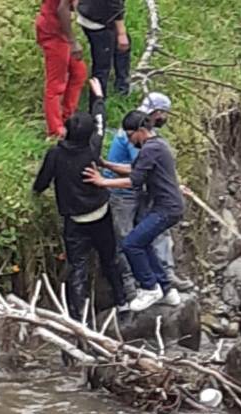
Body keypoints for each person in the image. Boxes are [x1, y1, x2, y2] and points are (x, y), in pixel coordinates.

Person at [33, 78, 127, 319]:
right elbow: (100, 121)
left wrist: (36, 192)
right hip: (100, 213)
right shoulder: (92, 148)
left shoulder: (55, 154)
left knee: (78, 267)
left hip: (74, 220)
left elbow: (43, 181)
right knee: (110, 258)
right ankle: (122, 300)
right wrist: (98, 97)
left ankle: (78, 315)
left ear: (67, 131)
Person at [83, 110, 185, 312]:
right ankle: (166, 290)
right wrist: (105, 164)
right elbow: (133, 169)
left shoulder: (150, 149)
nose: (130, 142)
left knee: (131, 244)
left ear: (140, 131)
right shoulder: (156, 145)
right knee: (142, 241)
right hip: (168, 206)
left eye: (130, 136)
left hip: (166, 209)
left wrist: (103, 181)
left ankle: (149, 287)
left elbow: (134, 181)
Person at [104, 93, 194, 300]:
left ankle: (156, 283)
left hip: (152, 198)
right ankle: (151, 286)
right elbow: (140, 171)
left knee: (138, 240)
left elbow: (141, 174)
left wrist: (103, 181)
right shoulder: (144, 139)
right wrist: (105, 171)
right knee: (135, 241)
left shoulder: (150, 144)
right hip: (134, 196)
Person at [35, 0, 88, 138]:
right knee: (56, 83)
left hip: (58, 29)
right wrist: (73, 42)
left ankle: (67, 117)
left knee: (79, 73)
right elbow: (62, 9)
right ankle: (55, 130)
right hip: (53, 31)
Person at [77, 0, 131, 105]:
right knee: (102, 67)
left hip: (88, 12)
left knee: (123, 48)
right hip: (99, 22)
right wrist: (121, 33)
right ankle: (97, 104)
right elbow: (115, 4)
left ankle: (122, 87)